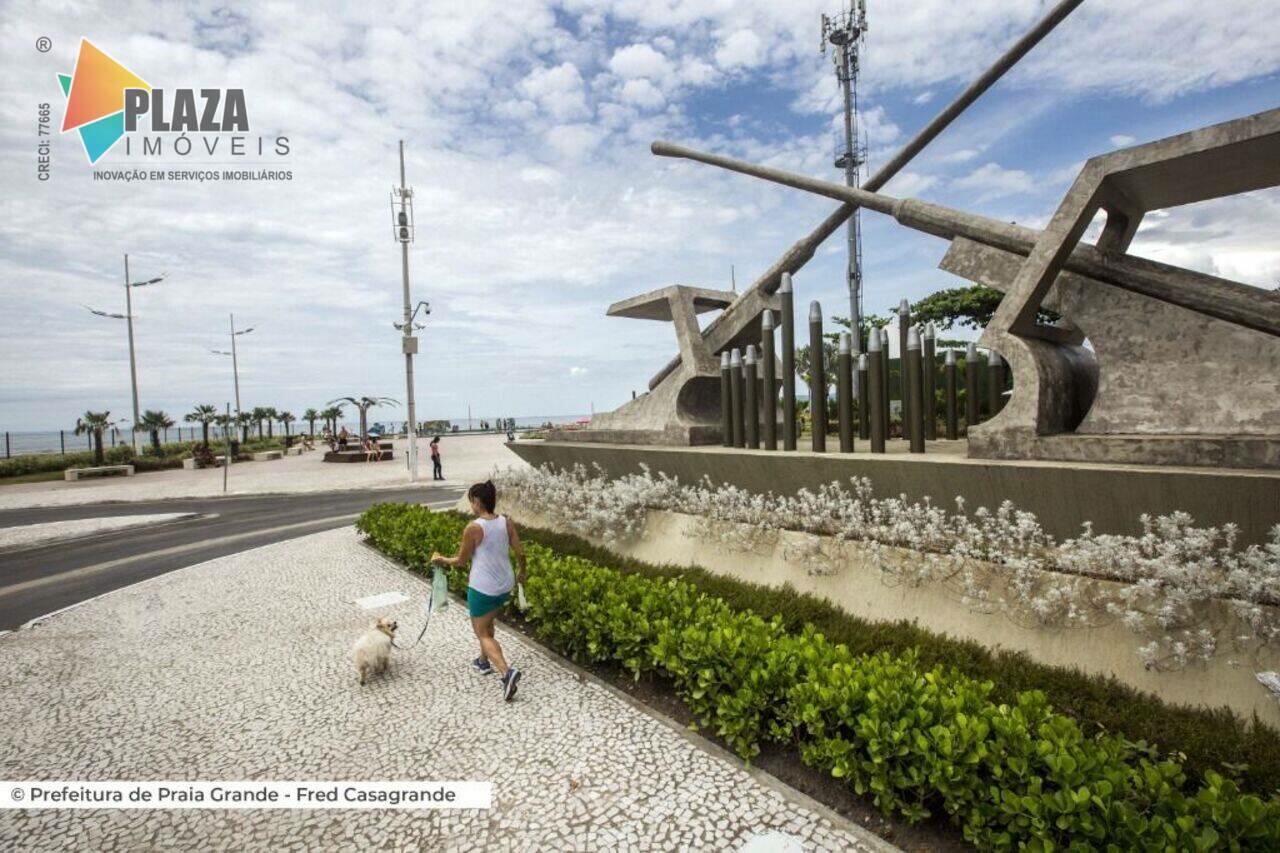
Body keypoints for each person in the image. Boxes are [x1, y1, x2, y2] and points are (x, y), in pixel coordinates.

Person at [431, 481, 525, 701]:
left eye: (471, 501)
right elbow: (521, 553)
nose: (470, 505)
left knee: (482, 632)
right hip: (505, 585)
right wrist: (523, 573)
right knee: (487, 622)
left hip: (483, 587)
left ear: (477, 501)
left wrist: (442, 559)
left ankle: (506, 673)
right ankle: (483, 662)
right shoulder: (506, 522)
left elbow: (462, 561)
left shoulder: (474, 528)